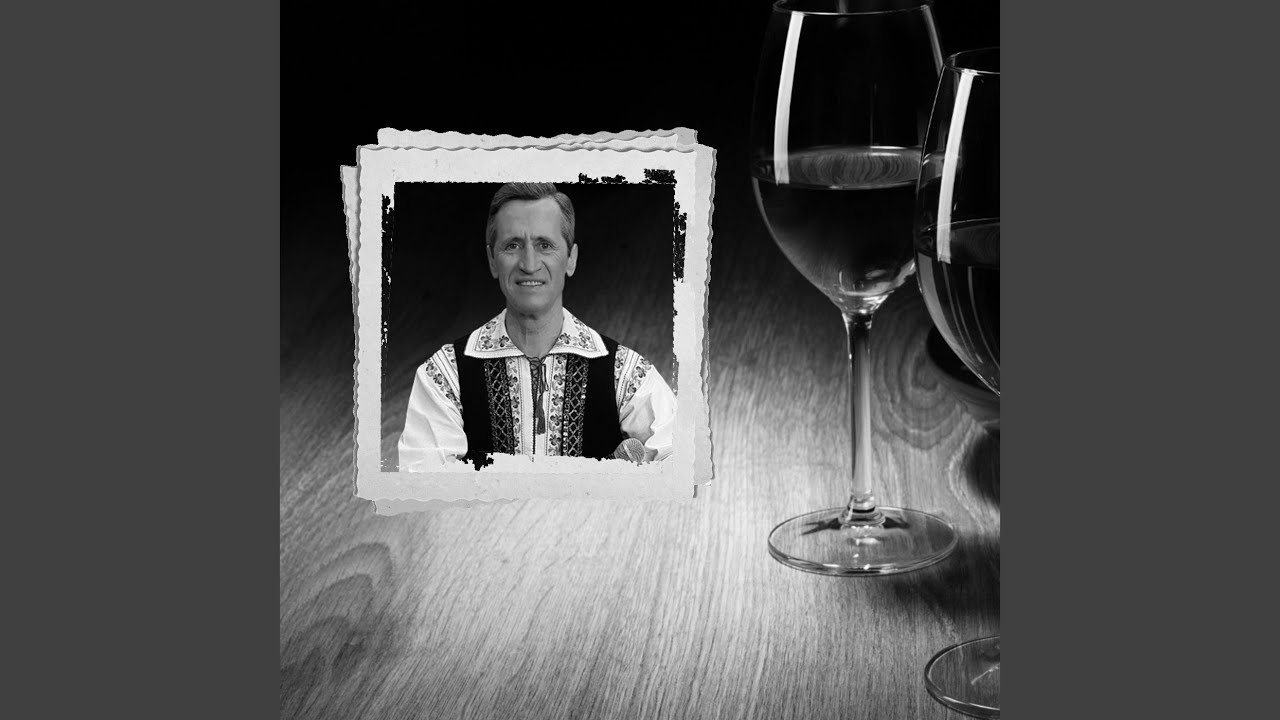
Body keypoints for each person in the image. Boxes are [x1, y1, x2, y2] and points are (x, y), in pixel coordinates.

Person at [398, 182, 676, 470]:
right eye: (513, 245)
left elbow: (680, 471)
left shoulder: (626, 374)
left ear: (571, 259)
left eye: (545, 245)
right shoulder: (445, 376)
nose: (529, 264)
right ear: (492, 260)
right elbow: (425, 487)